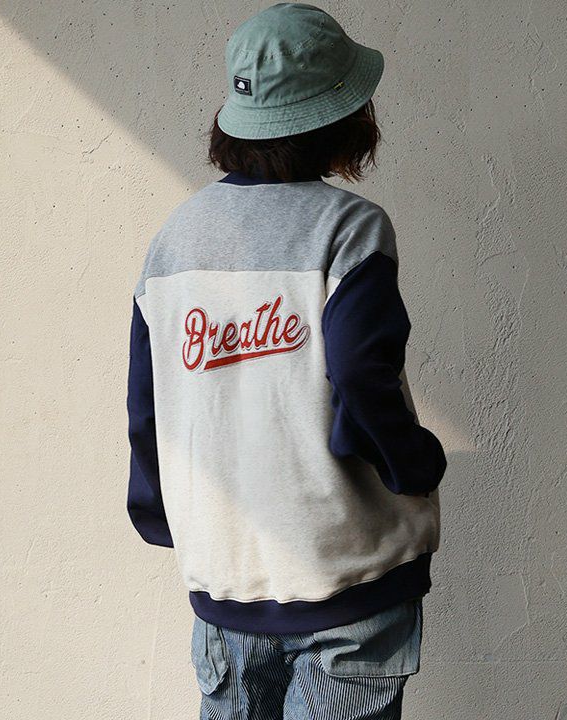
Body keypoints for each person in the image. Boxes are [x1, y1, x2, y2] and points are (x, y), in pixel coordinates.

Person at [126, 3, 447, 718]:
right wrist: (414, 464)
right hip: (346, 573)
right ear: (342, 118)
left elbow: (147, 404)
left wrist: (159, 510)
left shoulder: (174, 241)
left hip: (227, 576)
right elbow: (361, 375)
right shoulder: (349, 229)